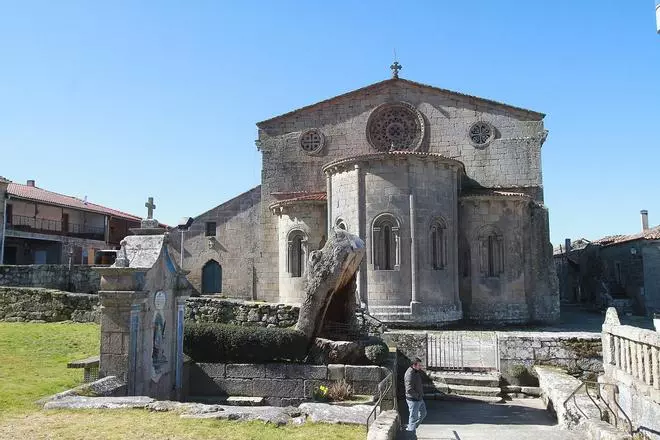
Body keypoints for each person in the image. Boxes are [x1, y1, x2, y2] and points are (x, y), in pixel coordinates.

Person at [404, 357, 427, 438]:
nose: (420, 367)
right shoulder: (409, 374)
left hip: (419, 398)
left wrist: (420, 396)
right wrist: (417, 396)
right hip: (413, 400)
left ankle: (411, 427)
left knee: (423, 413)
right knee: (413, 418)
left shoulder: (416, 371)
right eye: (419, 365)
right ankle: (411, 435)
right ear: (414, 365)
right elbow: (409, 389)